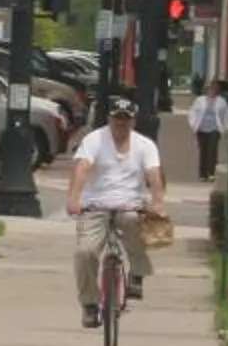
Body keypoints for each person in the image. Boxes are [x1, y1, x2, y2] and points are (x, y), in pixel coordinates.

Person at [65, 103, 166, 327]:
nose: (121, 123)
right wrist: (74, 198)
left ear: (133, 121)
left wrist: (158, 202)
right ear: (109, 119)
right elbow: (81, 168)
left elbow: (154, 174)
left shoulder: (145, 145)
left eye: (126, 119)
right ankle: (90, 305)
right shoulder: (94, 140)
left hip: (129, 205)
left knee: (132, 222)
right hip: (95, 205)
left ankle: (137, 274)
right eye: (117, 118)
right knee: (85, 252)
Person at [190, 77, 228, 181]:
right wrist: (193, 125)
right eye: (210, 89)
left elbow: (226, 115)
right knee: (203, 151)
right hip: (201, 129)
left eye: (214, 89)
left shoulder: (221, 102)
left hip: (214, 129)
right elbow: (193, 113)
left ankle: (211, 173)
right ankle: (203, 174)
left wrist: (226, 127)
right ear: (207, 90)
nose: (212, 91)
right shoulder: (199, 100)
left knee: (212, 151)